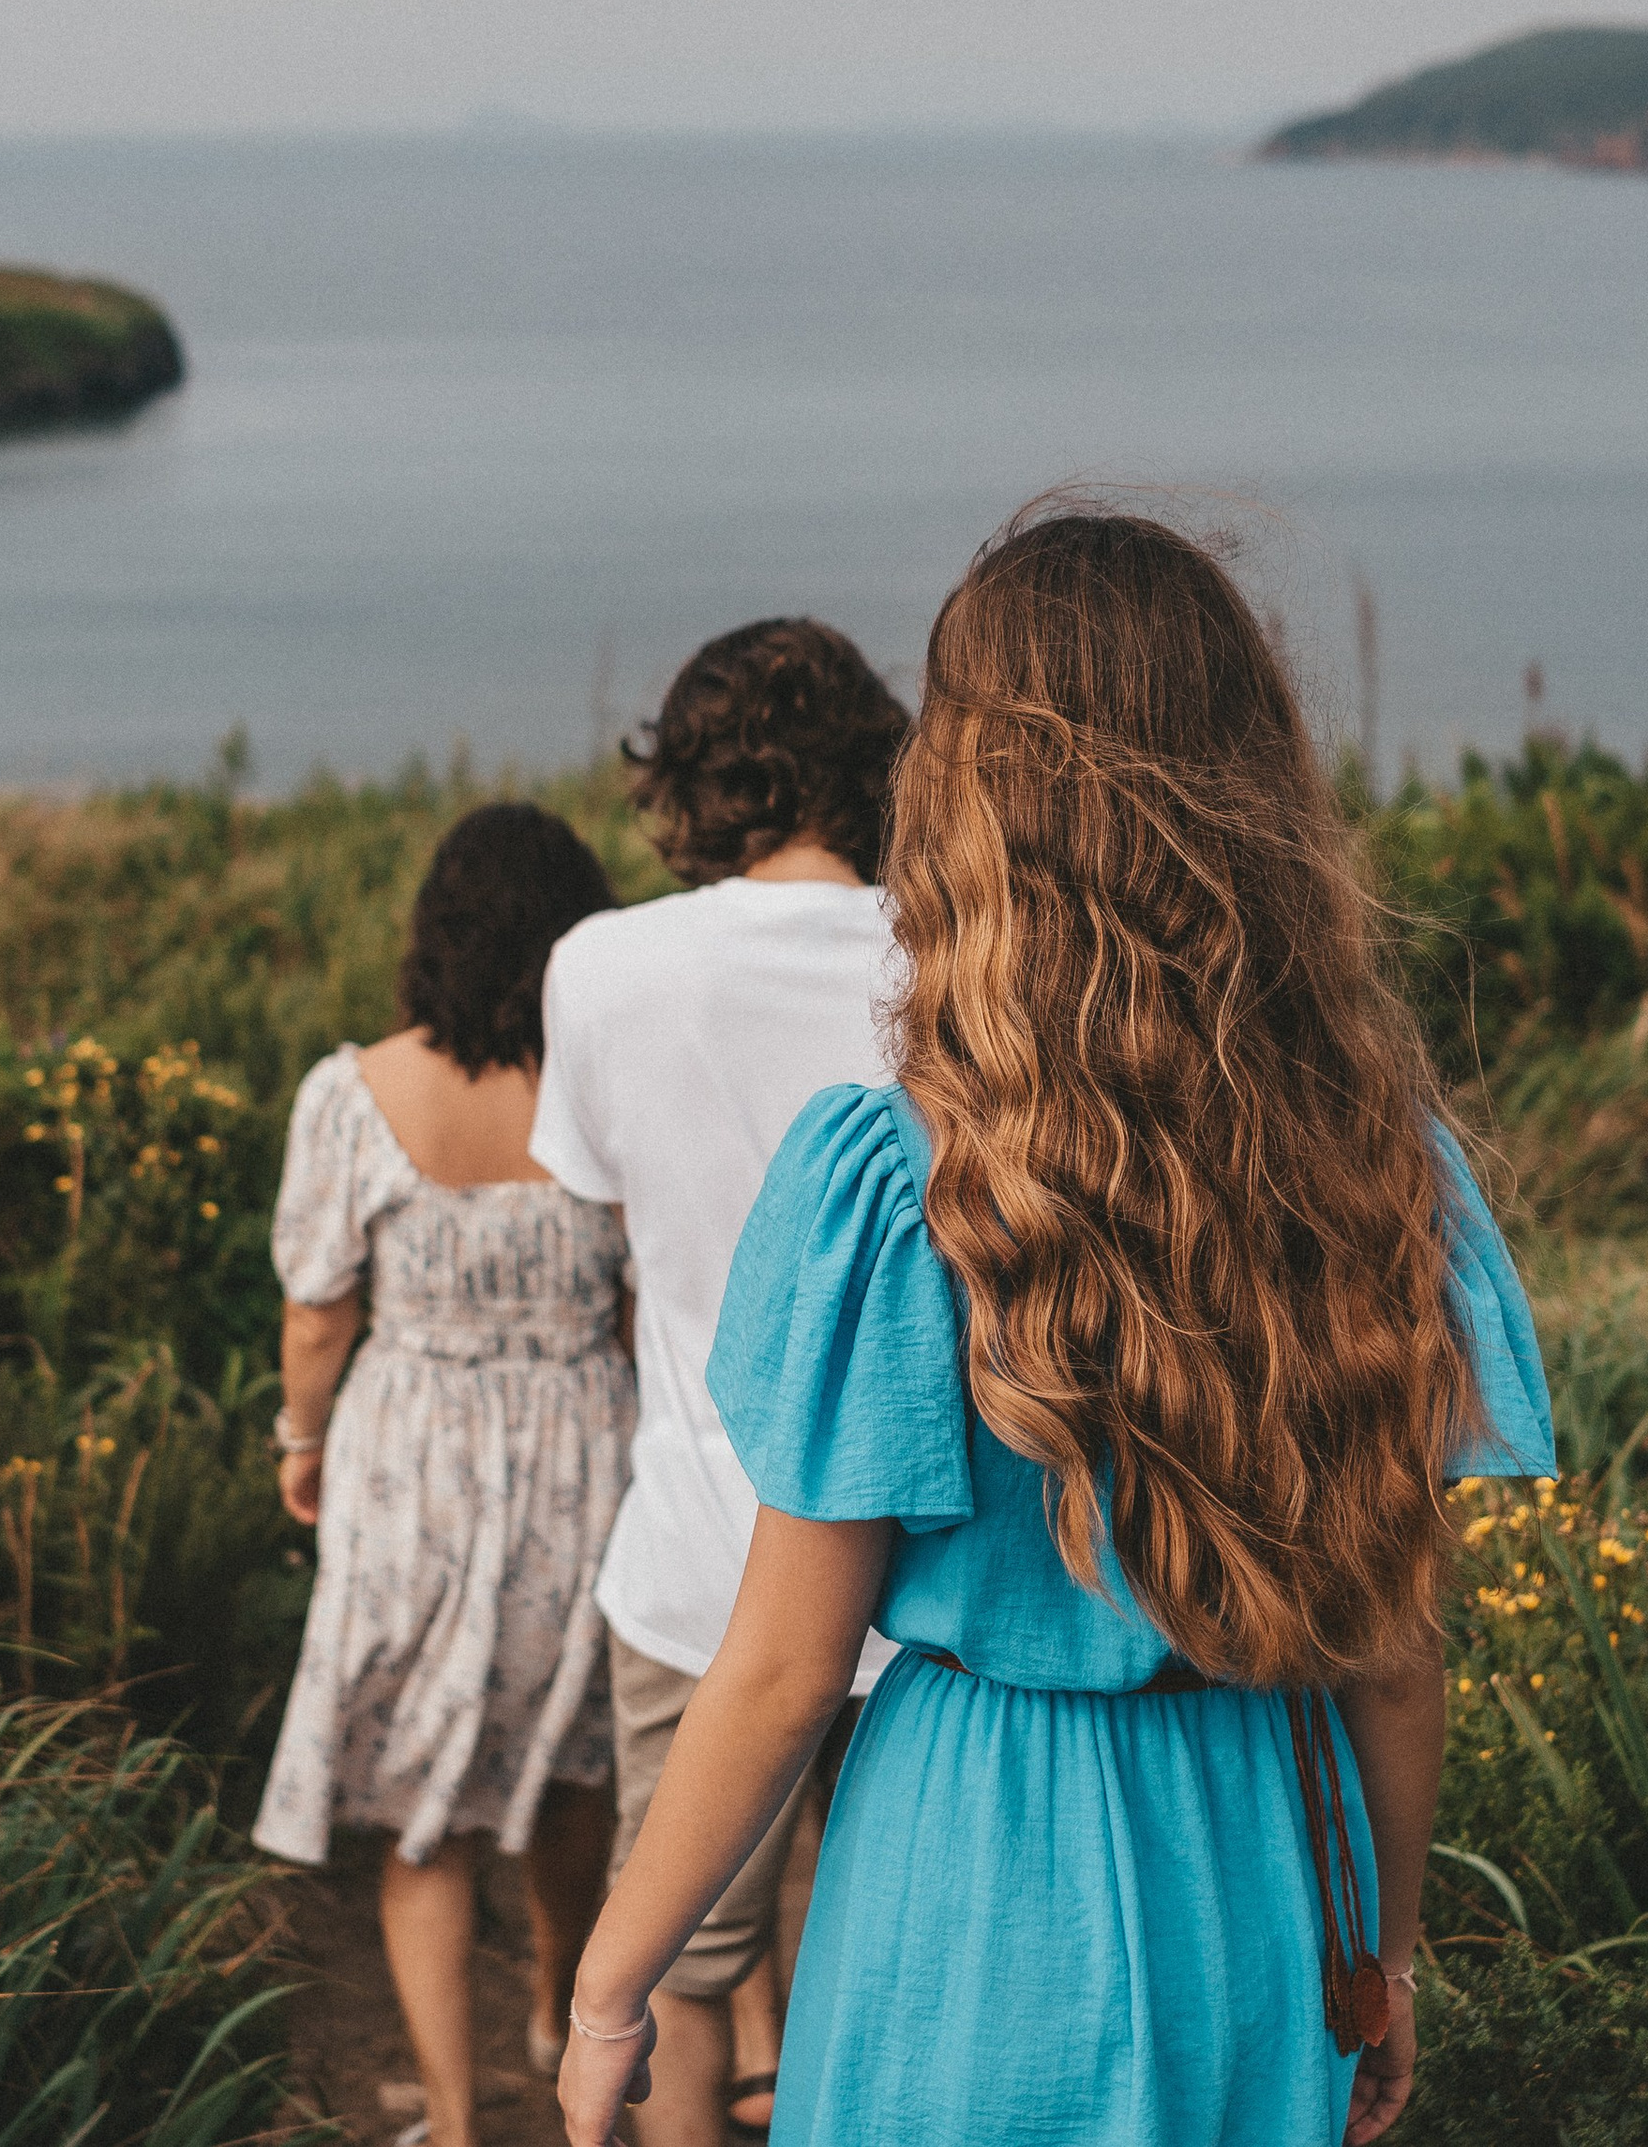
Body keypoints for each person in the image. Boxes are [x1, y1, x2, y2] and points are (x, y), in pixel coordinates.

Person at [558, 504, 1558, 2147]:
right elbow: (1393, 1657)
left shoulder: (906, 1184)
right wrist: (1383, 1961)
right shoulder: (1387, 1176)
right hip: (1264, 1866)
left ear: (970, 793)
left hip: (973, 1879)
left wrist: (612, 1991)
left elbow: (788, 1672)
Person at [529, 617, 911, 2147]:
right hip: (929, 1568)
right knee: (895, 1969)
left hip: (700, 1560)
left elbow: (615, 1229)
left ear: (688, 780)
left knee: (675, 1974)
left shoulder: (600, 968)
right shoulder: (961, 953)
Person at [253, 802, 637, 2147]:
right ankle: (559, 2012)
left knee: (425, 1807)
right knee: (574, 1759)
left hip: (412, 1459)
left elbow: (318, 1313)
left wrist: (301, 1440)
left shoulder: (354, 1094)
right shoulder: (607, 1092)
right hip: (585, 1449)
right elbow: (643, 1303)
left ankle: (458, 2124)